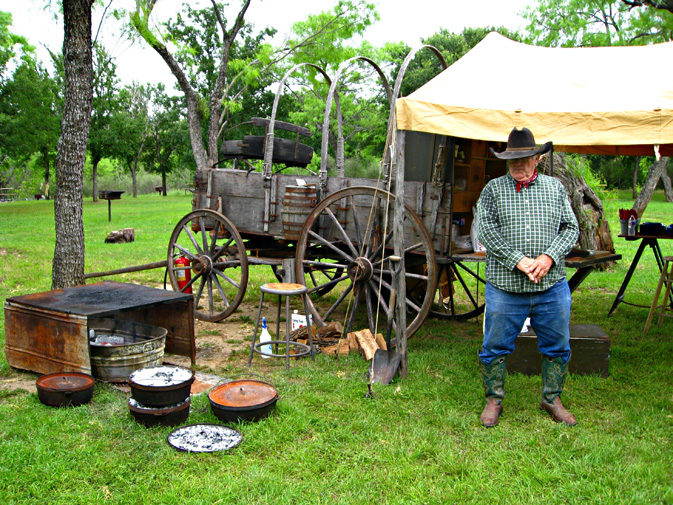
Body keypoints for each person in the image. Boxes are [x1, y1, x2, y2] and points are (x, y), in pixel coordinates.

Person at [475, 127, 580, 427]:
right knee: (494, 345)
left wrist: (548, 257)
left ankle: (552, 398)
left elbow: (570, 229)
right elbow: (487, 231)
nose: (519, 165)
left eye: (525, 158)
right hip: (505, 287)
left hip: (551, 285)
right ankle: (493, 400)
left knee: (558, 345)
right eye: (513, 160)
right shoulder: (493, 190)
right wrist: (518, 260)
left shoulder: (555, 188)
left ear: (537, 158)